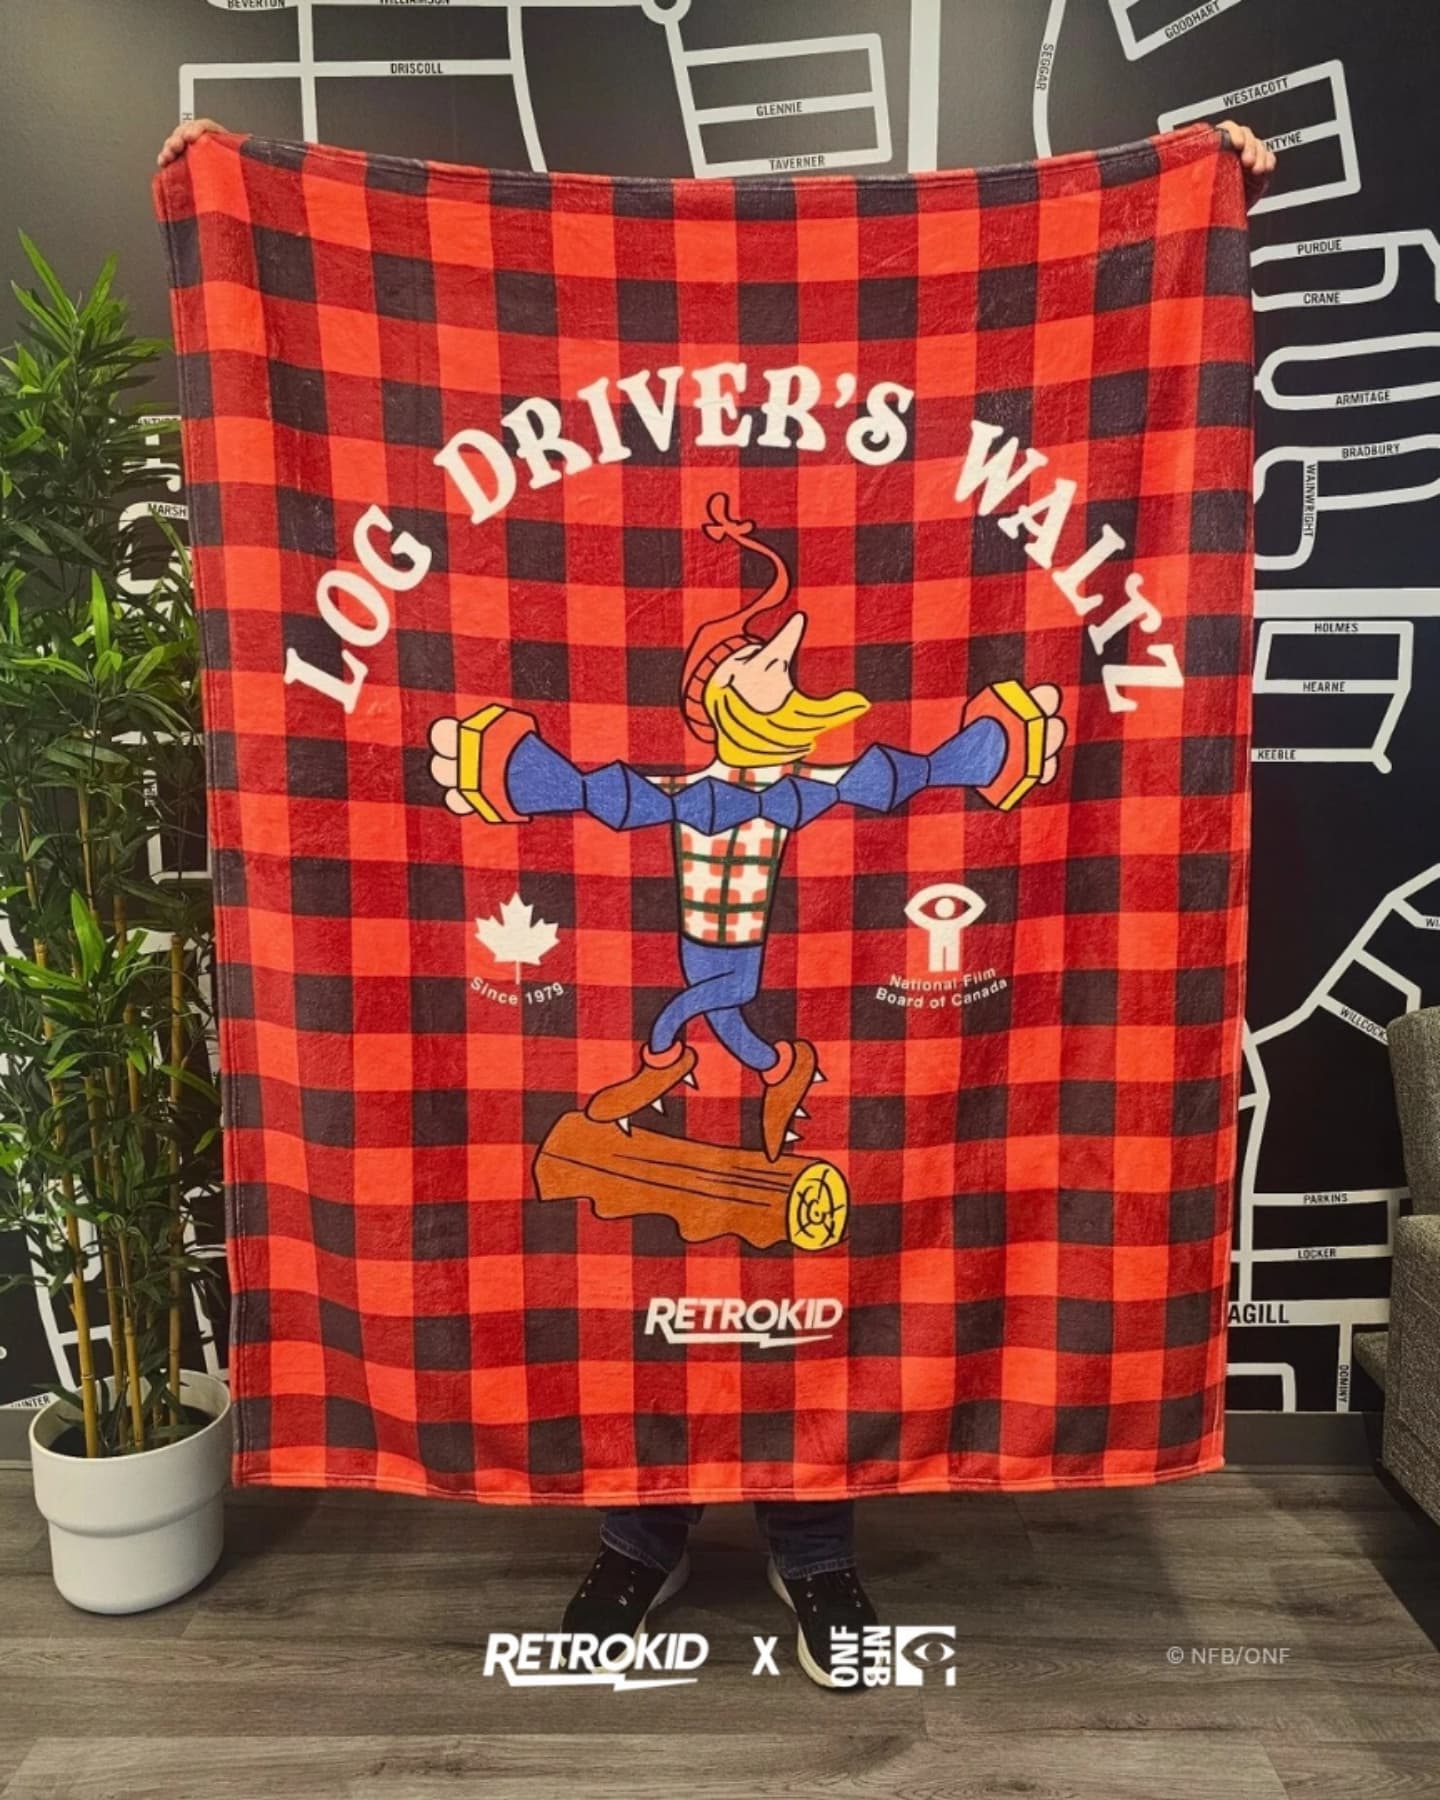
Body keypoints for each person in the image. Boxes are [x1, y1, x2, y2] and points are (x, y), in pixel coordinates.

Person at [155, 112, 1274, 1691]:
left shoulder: (805, 787)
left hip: (761, 992)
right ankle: (641, 1536)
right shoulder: (683, 794)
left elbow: (894, 779)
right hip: (690, 984)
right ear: (718, 695)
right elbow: (595, 793)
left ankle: (819, 1554)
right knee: (660, 1224)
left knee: (786, 1219)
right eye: (766, 667)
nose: (793, 679)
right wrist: (511, 765)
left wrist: (1198, 190)